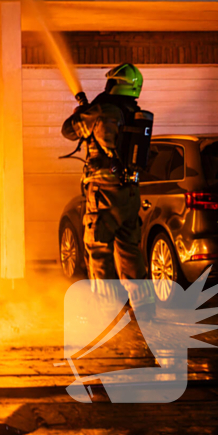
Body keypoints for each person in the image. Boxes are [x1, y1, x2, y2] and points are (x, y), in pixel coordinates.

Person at [62, 64, 155, 312]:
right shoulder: (133, 112)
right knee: (129, 251)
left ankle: (105, 312)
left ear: (113, 83)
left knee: (98, 248)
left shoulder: (102, 109)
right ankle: (145, 308)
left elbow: (68, 131)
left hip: (104, 190)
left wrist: (81, 113)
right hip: (130, 192)